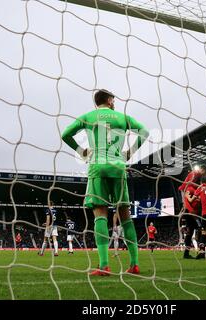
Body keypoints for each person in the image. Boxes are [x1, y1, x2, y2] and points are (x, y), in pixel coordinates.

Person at [62, 89, 149, 276]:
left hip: (97, 166)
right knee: (125, 215)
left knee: (100, 214)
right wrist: (130, 152)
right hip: (118, 167)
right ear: (108, 100)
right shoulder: (122, 117)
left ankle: (104, 266)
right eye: (113, 99)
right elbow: (144, 132)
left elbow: (65, 134)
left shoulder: (88, 116)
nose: (115, 102)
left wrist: (82, 151)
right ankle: (134, 264)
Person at [178, 164, 206, 259]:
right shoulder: (192, 181)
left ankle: (187, 253)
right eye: (205, 172)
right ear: (202, 170)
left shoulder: (195, 188)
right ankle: (201, 251)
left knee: (190, 232)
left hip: (191, 212)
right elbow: (188, 196)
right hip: (189, 211)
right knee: (200, 229)